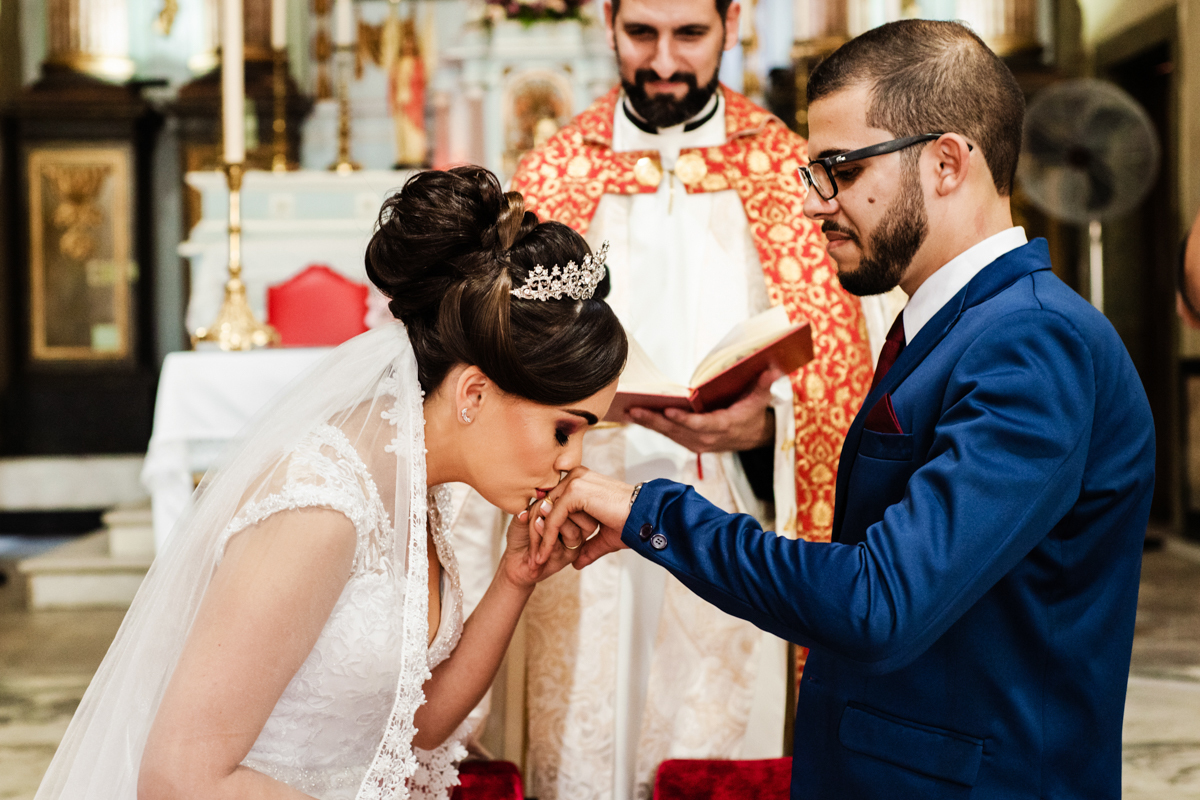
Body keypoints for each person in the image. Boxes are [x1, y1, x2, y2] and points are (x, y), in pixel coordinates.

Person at [533, 20, 1156, 799]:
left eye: (838, 168)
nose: (813, 204)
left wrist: (651, 514)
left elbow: (880, 602)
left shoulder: (1032, 342)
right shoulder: (956, 326)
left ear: (946, 162)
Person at [34, 166, 628, 800]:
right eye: (566, 430)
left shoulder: (413, 478)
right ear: (474, 392)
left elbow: (413, 729)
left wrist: (516, 577)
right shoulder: (320, 508)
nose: (575, 462)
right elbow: (179, 778)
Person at [449, 2, 880, 796]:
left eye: (690, 36)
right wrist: (581, 404)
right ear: (608, 21)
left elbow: (849, 365)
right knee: (583, 745)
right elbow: (486, 359)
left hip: (731, 511)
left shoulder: (788, 171)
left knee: (710, 746)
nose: (665, 63)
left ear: (733, 22)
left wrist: (764, 426)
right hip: (575, 506)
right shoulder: (554, 171)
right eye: (642, 34)